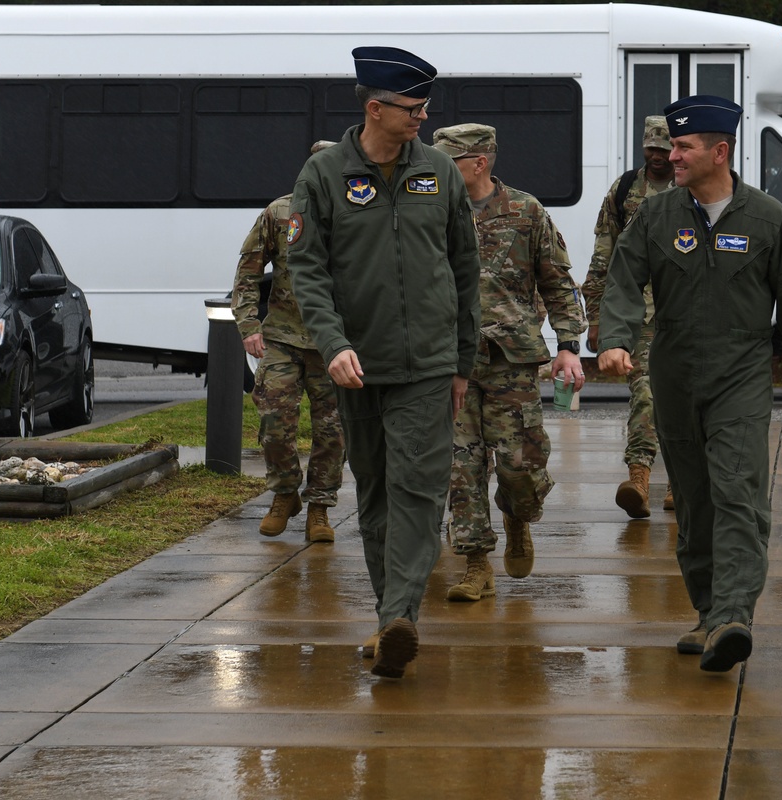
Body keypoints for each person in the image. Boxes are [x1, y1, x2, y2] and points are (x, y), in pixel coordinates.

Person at [597, 95, 782, 672]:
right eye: (672, 146)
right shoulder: (656, 216)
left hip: (741, 375)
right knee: (696, 504)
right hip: (674, 374)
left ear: (719, 151)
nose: (670, 156)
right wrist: (614, 339)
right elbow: (623, 279)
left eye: (683, 147)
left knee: (737, 493)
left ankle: (734, 615)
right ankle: (708, 617)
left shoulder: (767, 218)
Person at [286, 46, 481, 679]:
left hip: (426, 365)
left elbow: (464, 270)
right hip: (357, 365)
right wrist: (333, 343)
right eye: (412, 107)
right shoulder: (323, 177)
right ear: (376, 107)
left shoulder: (441, 174)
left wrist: (461, 361)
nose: (422, 117)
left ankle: (401, 615)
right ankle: (388, 616)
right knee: (373, 491)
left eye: (425, 106)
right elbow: (307, 271)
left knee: (418, 490)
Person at [432, 123, 586, 602]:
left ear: (479, 163)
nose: (439, 170)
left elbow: (558, 283)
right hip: (447, 358)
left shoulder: (525, 211)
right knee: (462, 465)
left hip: (510, 360)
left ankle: (519, 517)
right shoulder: (431, 211)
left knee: (518, 463)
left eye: (449, 162)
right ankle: (476, 563)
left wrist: (567, 346)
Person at [230, 141, 344, 543]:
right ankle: (284, 494)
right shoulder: (280, 213)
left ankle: (319, 508)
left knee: (333, 432)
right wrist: (249, 325)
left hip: (336, 344)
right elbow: (247, 273)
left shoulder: (359, 213)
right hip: (282, 337)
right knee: (275, 424)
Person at [583, 116, 675, 519]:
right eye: (650, 148)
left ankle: (680, 483)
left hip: (685, 311)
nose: (656, 156)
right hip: (638, 314)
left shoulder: (693, 187)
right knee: (646, 392)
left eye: (664, 149)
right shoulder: (625, 191)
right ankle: (639, 477)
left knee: (684, 397)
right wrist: (596, 318)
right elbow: (604, 254)